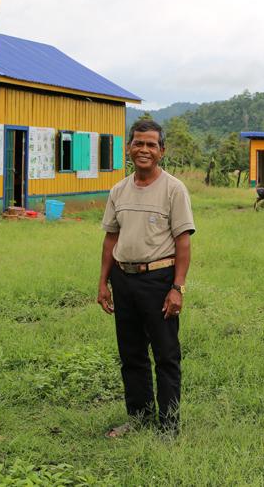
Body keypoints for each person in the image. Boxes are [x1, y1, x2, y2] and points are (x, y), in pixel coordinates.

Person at [97, 119, 195, 437]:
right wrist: (103, 282)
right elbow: (111, 239)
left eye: (151, 144)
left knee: (166, 355)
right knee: (132, 355)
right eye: (138, 143)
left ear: (161, 151)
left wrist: (177, 287)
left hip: (159, 280)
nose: (144, 149)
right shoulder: (118, 190)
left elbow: (183, 242)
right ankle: (139, 419)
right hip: (123, 280)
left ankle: (168, 426)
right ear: (129, 148)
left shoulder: (173, 189)